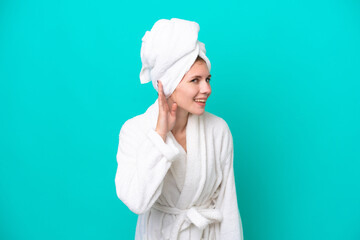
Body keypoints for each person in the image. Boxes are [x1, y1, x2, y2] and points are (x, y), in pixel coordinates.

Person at [115, 18, 244, 240]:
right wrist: (159, 137)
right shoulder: (134, 130)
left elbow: (228, 204)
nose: (207, 89)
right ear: (168, 83)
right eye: (195, 80)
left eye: (208, 79)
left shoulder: (218, 129)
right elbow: (137, 201)